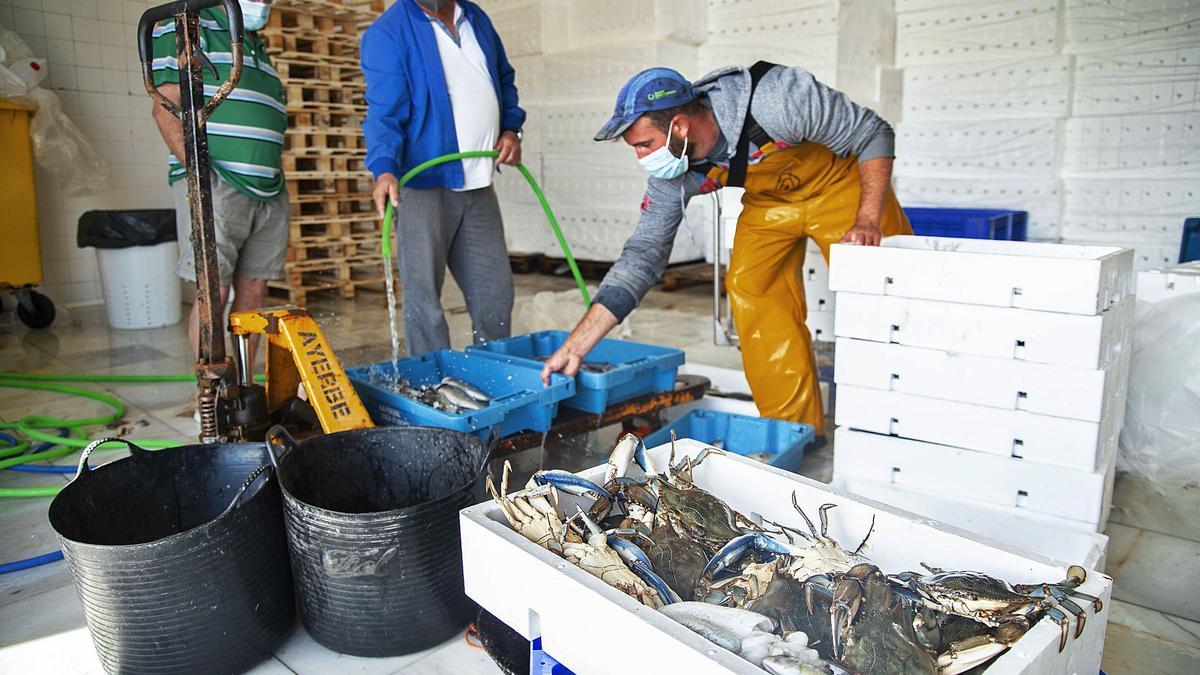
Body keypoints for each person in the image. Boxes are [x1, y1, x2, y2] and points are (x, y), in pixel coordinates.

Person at [539, 65, 912, 438]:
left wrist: (867, 219)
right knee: (750, 288)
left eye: (644, 144)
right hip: (771, 205)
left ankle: (904, 411)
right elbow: (643, 256)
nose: (642, 158)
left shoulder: (777, 100)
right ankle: (793, 431)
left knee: (885, 296)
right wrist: (577, 345)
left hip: (841, 189)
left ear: (680, 127)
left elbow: (873, 132)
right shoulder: (673, 175)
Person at [361, 0, 524, 356]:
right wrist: (384, 167)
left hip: (479, 182)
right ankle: (434, 388)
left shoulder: (475, 18)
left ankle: (496, 375)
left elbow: (504, 79)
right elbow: (383, 112)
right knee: (424, 302)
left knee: (494, 293)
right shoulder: (388, 33)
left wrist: (512, 129)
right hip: (423, 187)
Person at [150, 0, 288, 373]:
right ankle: (211, 398)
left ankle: (242, 387)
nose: (264, 3)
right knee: (214, 292)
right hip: (217, 182)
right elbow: (165, 108)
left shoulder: (252, 42)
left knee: (254, 292)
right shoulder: (186, 25)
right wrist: (201, 176)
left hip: (268, 188)